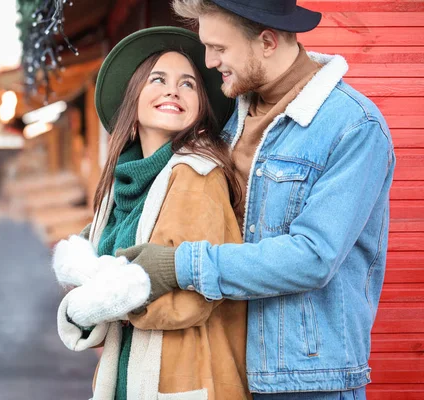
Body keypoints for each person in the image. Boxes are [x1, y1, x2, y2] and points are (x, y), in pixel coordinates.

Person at [116, 1, 396, 399]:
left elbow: (313, 257)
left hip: (306, 382)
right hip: (228, 367)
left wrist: (181, 266)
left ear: (266, 41)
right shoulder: (233, 113)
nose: (209, 62)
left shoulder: (353, 127)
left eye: (220, 48)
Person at [52, 27, 252, 399]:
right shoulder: (122, 185)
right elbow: (99, 262)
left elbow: (192, 297)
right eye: (158, 79)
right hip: (129, 376)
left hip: (185, 378)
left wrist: (103, 299)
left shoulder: (197, 174)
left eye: (188, 84)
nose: (173, 90)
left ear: (201, 107)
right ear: (134, 98)